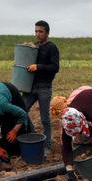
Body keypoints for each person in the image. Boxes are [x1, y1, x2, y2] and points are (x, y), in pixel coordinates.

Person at [23, 20, 60, 154]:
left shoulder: (52, 47)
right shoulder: (35, 47)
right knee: (21, 110)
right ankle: (33, 136)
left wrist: (38, 67)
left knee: (45, 118)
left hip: (44, 87)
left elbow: (55, 67)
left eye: (40, 31)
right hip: (30, 87)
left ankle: (47, 146)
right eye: (36, 31)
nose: (37, 34)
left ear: (47, 33)